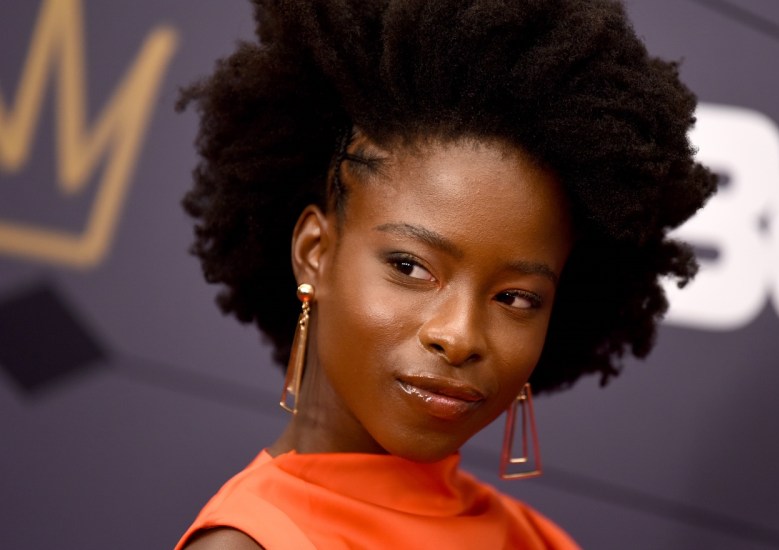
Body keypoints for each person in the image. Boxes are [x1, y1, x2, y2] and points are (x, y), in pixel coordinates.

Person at [175, 0, 716, 548]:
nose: (459, 337)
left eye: (517, 298)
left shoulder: (536, 541)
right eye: (410, 267)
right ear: (315, 250)